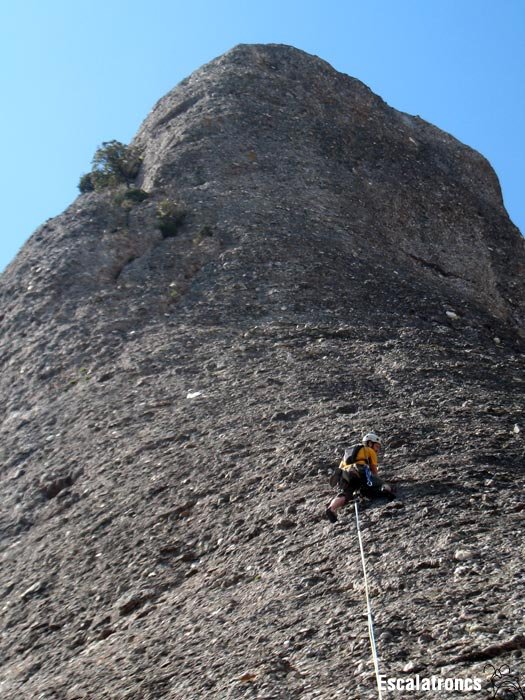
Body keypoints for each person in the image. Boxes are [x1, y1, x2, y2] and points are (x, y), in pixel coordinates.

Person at [325, 432, 395, 523]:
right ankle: (385, 490)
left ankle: (332, 508)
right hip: (360, 469)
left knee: (345, 493)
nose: (377, 450)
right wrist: (377, 480)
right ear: (370, 443)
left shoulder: (348, 452)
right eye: (377, 446)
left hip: (346, 473)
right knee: (381, 483)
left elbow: (341, 467)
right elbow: (374, 470)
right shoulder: (369, 450)